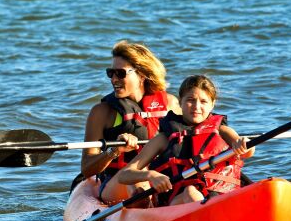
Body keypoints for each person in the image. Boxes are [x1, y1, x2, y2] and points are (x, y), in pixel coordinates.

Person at [111, 75, 255, 206]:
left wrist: (243, 144)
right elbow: (124, 175)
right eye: (190, 100)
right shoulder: (163, 139)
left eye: (203, 101)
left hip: (220, 194)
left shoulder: (222, 131)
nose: (197, 107)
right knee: (190, 192)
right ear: (180, 102)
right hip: (178, 201)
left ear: (212, 104)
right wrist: (151, 175)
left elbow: (248, 151)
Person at [80, 40, 180, 204]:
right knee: (138, 185)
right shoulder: (101, 112)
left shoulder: (171, 104)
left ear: (142, 74)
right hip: (118, 182)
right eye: (110, 73)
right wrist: (114, 150)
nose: (113, 79)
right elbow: (86, 169)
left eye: (120, 73)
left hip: (160, 177)